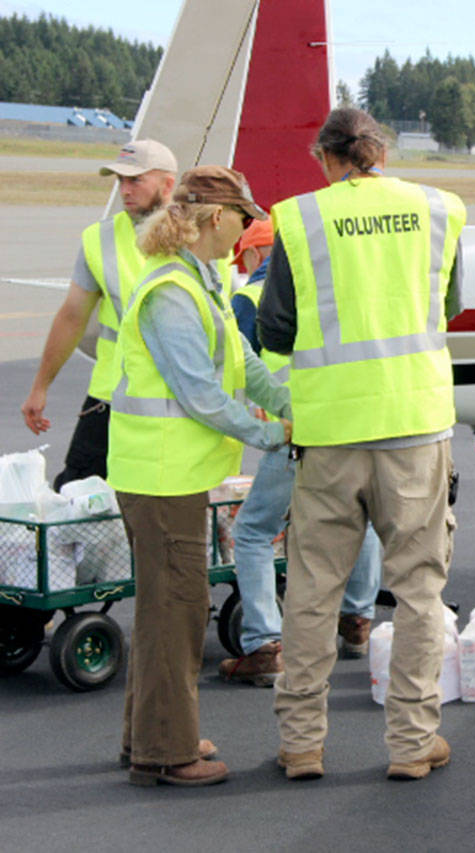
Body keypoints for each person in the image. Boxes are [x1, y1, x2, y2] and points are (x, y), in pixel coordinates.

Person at [258, 107, 465, 782]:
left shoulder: (300, 219)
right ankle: (411, 742)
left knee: (313, 593)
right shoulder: (439, 210)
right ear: (381, 151)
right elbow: (449, 304)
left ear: (328, 158)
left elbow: (278, 329)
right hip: (416, 429)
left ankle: (301, 744)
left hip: (330, 435)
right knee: (418, 593)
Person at [109, 165, 290, 787]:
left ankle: (148, 737)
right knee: (176, 615)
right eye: (243, 218)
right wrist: (274, 435)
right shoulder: (169, 293)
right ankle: (167, 754)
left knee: (164, 611)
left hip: (173, 475)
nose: (248, 228)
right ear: (216, 219)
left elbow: (245, 364)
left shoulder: (204, 281)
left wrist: (297, 406)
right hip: (159, 478)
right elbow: (202, 396)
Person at [218, 222, 383, 686]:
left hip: (294, 427)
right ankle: (357, 620)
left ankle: (264, 644)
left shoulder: (248, 300)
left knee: (253, 532)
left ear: (255, 254)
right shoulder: (329, 288)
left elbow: (234, 369)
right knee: (359, 517)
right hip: (350, 420)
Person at [20, 140, 177, 489]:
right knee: (76, 491)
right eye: (120, 180)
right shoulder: (101, 239)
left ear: (168, 185)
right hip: (111, 395)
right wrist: (40, 387)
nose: (125, 190)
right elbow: (72, 316)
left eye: (136, 180)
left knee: (158, 497)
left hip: (178, 396)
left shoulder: (197, 237)